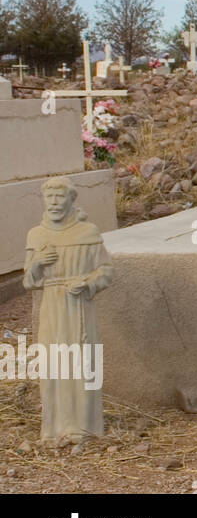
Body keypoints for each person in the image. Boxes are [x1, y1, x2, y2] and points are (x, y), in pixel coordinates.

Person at [23, 177, 113, 446]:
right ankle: (54, 428)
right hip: (52, 308)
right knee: (54, 363)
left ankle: (83, 426)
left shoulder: (88, 232)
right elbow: (29, 281)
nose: (53, 202)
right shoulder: (36, 235)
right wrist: (37, 263)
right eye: (49, 197)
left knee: (82, 363)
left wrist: (87, 282)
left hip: (79, 308)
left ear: (72, 199)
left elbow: (106, 271)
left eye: (59, 197)